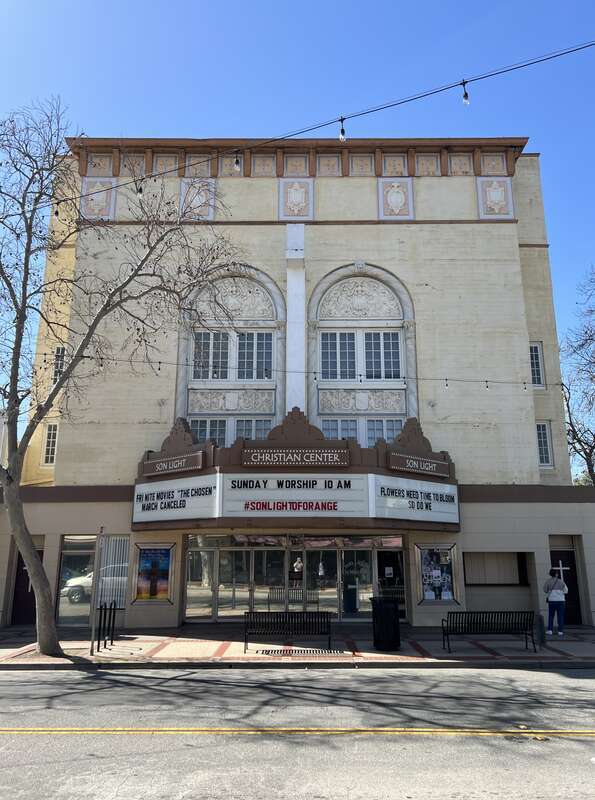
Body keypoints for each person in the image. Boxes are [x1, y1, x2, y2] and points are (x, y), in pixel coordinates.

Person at [543, 568, 569, 636]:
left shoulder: (548, 581)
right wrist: (560, 592)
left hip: (552, 601)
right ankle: (560, 631)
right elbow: (566, 591)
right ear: (556, 574)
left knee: (551, 615)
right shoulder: (561, 581)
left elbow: (545, 590)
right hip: (561, 601)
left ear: (550, 574)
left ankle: (550, 630)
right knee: (560, 616)